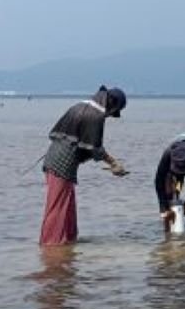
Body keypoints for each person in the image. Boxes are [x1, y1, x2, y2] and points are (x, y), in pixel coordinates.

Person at [39, 86, 129, 245]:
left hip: (54, 159)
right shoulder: (95, 115)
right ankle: (51, 246)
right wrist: (114, 163)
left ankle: (67, 245)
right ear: (112, 104)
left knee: (67, 208)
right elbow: (95, 149)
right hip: (62, 165)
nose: (109, 115)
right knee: (58, 208)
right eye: (113, 112)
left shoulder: (80, 105)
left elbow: (69, 139)